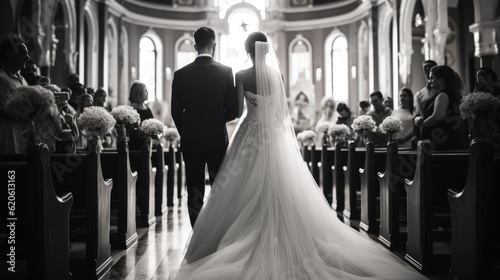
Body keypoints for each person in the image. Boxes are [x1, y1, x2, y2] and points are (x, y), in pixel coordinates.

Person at [173, 31, 426, 280]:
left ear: (248, 50)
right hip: (274, 137)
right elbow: (280, 115)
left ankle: (217, 241)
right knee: (279, 187)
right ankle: (282, 237)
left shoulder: (239, 75)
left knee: (232, 189)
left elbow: (238, 112)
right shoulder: (276, 75)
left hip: (247, 136)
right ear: (266, 48)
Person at [171, 26, 237, 227]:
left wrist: (189, 130)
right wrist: (216, 120)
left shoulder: (181, 74)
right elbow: (233, 111)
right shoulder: (226, 72)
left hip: (191, 142)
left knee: (194, 190)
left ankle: (197, 234)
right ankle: (217, 232)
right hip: (217, 139)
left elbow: (175, 112)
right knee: (219, 189)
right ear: (214, 45)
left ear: (194, 46)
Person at [414, 65, 465, 150]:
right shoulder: (448, 94)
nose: (429, 81)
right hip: (441, 138)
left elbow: (437, 117)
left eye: (432, 78)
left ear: (441, 79)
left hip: (441, 141)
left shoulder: (443, 95)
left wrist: (421, 125)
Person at [128, 81, 155, 150]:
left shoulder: (147, 108)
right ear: (138, 93)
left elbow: (152, 122)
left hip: (147, 143)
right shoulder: (130, 109)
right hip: (135, 144)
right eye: (145, 91)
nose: (148, 93)